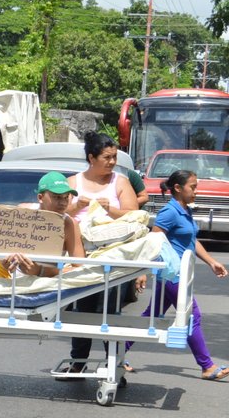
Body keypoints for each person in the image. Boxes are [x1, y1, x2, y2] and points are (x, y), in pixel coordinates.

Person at [125, 169, 229, 380]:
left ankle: (116, 350)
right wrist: (145, 271)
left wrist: (211, 262)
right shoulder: (169, 212)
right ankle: (207, 366)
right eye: (193, 187)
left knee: (152, 317)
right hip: (172, 275)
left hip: (178, 274)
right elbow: (154, 242)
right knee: (192, 316)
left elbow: (190, 240)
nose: (196, 191)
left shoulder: (184, 210)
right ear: (178, 188)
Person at [65, 132, 139, 369]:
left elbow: (135, 216)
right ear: (91, 157)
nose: (112, 162)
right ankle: (78, 361)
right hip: (81, 256)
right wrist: (77, 205)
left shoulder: (120, 182)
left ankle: (114, 363)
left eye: (114, 157)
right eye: (107, 157)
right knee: (82, 308)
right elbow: (59, 214)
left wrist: (111, 212)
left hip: (114, 257)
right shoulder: (73, 182)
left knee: (109, 310)